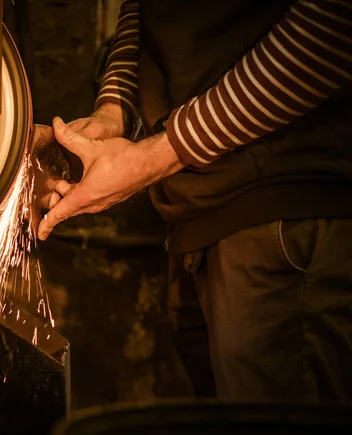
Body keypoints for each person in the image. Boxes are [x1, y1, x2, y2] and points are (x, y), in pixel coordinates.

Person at [37, 0, 352, 402]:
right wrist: (115, 107)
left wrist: (160, 153)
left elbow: (334, 25)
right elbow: (144, 11)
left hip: (283, 211)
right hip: (200, 212)